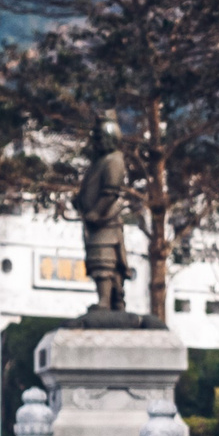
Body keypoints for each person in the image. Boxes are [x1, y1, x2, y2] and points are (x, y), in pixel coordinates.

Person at [75, 116, 130, 312]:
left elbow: (110, 191)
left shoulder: (114, 160)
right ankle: (111, 301)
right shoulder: (100, 162)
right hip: (95, 223)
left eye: (100, 138)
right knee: (99, 262)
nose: (96, 142)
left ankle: (108, 301)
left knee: (105, 262)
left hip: (106, 220)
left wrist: (97, 212)